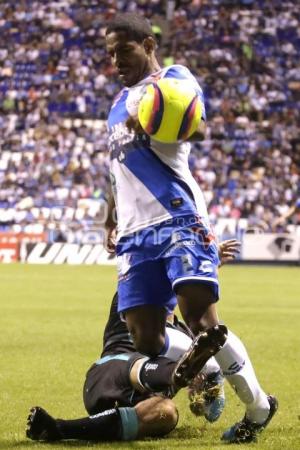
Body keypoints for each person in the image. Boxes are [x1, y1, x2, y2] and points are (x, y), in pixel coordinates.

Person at [104, 12, 277, 443]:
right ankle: (210, 364)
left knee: (200, 320)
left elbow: (195, 127)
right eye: (110, 54)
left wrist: (149, 120)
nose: (115, 61)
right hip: (135, 235)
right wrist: (110, 219)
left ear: (147, 44)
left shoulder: (173, 80)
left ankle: (257, 409)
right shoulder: (114, 105)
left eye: (123, 51)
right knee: (144, 338)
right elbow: (117, 170)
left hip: (179, 218)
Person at [26, 241, 239, 443]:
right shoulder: (132, 305)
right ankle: (173, 372)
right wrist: (205, 260)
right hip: (111, 373)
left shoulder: (186, 335)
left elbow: (199, 409)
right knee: (141, 362)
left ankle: (57, 429)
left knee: (167, 413)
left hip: (140, 403)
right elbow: (151, 277)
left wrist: (205, 394)